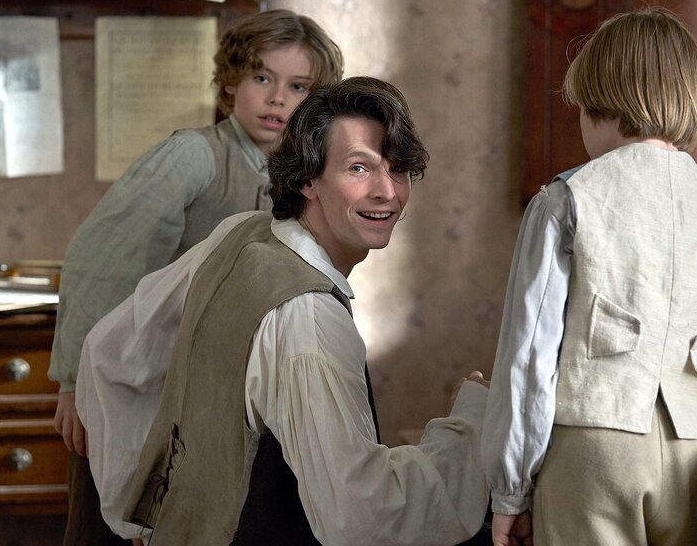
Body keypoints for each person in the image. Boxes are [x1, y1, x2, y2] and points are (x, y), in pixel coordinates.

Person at [75, 76, 491, 545]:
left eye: (397, 170)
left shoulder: (237, 235)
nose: (386, 192)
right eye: (358, 168)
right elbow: (360, 516)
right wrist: (470, 425)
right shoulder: (307, 317)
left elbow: (108, 351)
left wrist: (142, 519)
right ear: (308, 179)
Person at [48, 9, 343, 545]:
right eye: (262, 78)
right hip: (139, 383)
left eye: (298, 87)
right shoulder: (194, 155)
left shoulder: (306, 177)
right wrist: (74, 381)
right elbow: (101, 262)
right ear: (231, 83)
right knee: (108, 525)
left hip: (217, 397)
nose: (278, 99)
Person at [482, 8, 697, 546]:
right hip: (689, 458)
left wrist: (510, 492)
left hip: (591, 453)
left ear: (601, 100)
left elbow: (529, 360)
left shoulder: (568, 200)